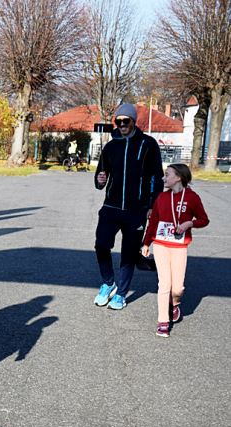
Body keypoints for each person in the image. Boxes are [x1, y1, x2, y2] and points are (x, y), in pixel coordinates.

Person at [93, 103, 164, 310]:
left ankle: (121, 294)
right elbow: (99, 180)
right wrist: (100, 179)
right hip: (111, 207)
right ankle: (108, 283)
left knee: (128, 253)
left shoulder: (148, 144)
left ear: (134, 121)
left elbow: (157, 178)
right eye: (119, 121)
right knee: (101, 245)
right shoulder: (110, 146)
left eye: (126, 121)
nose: (122, 125)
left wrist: (152, 205)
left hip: (137, 210)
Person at [141, 164, 209, 337]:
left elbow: (203, 219)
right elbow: (154, 222)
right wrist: (147, 244)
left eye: (167, 175)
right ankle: (163, 322)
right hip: (161, 244)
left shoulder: (192, 198)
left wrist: (189, 223)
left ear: (178, 178)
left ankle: (174, 303)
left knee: (177, 288)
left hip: (179, 246)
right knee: (164, 284)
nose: (163, 178)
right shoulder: (161, 197)